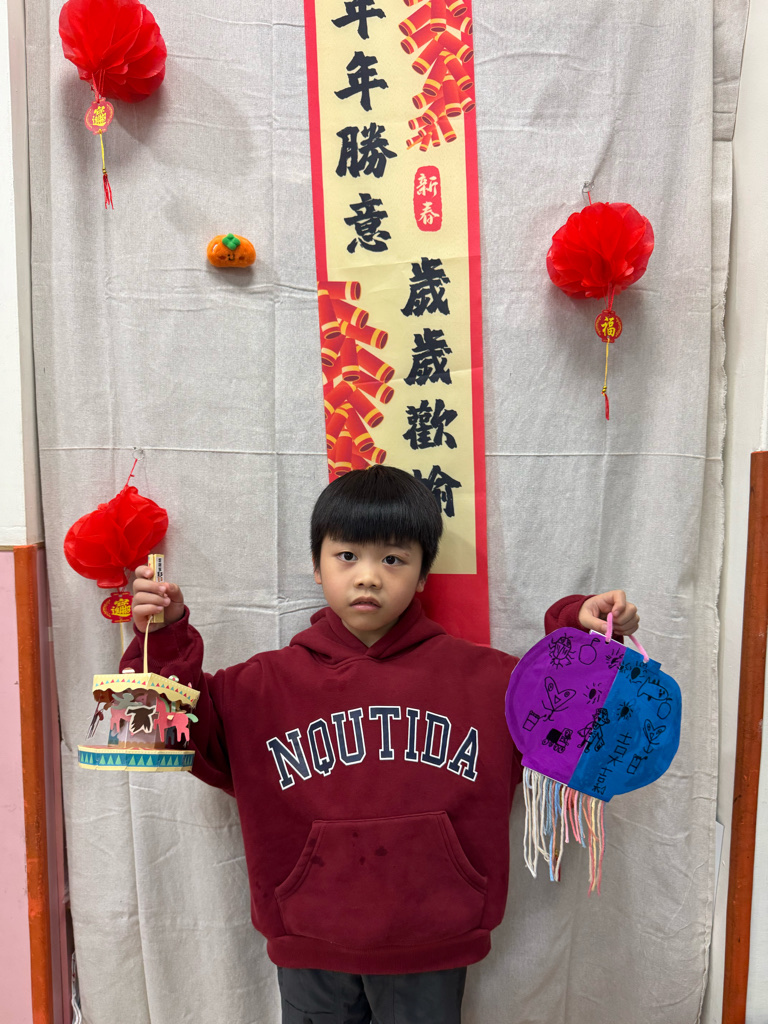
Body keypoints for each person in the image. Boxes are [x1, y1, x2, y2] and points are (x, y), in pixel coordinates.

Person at [125, 465, 639, 1024]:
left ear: (422, 575)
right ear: (316, 566)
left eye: (393, 559)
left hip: (434, 936)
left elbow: (578, 728)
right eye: (347, 556)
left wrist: (585, 632)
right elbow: (160, 734)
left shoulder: (489, 682)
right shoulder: (259, 688)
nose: (368, 577)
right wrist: (164, 635)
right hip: (309, 939)